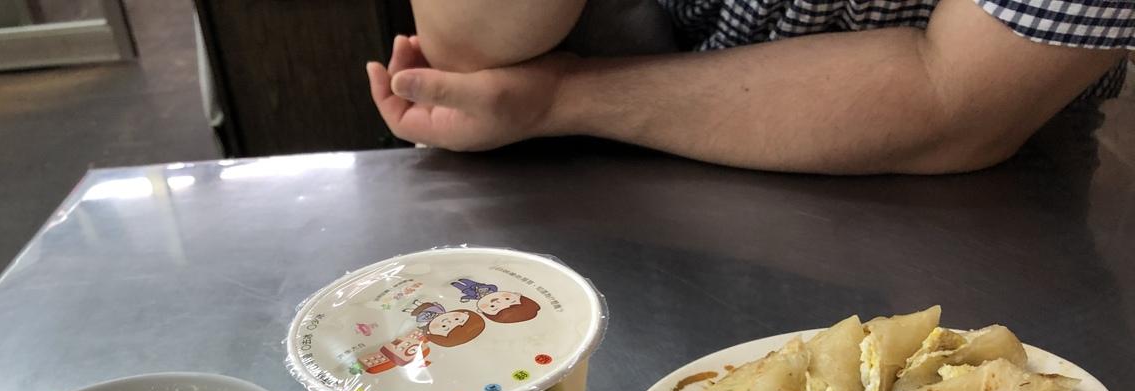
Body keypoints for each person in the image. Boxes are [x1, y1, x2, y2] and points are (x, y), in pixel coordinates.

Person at [367, 0, 1134, 174]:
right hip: (588, 165)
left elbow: (953, 102)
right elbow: (470, 45)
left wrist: (560, 99)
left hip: (986, 195)